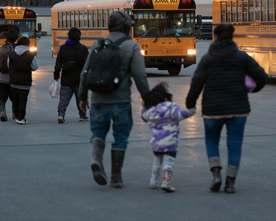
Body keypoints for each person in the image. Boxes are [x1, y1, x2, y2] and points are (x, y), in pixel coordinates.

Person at [186, 24, 268, 194]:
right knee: (235, 144)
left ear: (215, 37)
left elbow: (197, 82)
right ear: (232, 37)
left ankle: (216, 173)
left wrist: (190, 103)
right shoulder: (242, 57)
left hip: (212, 109)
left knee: (211, 140)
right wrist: (252, 89)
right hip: (238, 108)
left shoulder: (208, 58)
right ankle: (230, 182)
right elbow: (262, 76)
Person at [79, 11, 150, 188]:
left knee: (98, 132)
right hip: (121, 100)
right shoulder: (131, 46)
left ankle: (96, 157)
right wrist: (147, 99)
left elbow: (85, 72)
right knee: (120, 137)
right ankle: (116, 176)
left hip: (98, 99)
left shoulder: (98, 43)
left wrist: (82, 96)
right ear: (126, 26)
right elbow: (140, 75)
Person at [141, 82, 196, 193]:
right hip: (169, 141)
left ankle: (153, 181)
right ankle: (166, 183)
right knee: (168, 162)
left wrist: (145, 105)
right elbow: (178, 115)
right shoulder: (170, 106)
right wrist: (191, 112)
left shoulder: (150, 111)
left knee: (157, 161)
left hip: (156, 142)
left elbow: (144, 117)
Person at [54, 27, 89, 123]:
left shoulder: (63, 48)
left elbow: (58, 64)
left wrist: (56, 75)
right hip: (79, 78)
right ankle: (82, 115)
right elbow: (87, 65)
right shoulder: (83, 49)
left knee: (64, 98)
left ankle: (61, 114)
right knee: (80, 97)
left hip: (66, 77)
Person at [8, 36, 39, 125]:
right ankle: (21, 118)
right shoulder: (30, 55)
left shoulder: (11, 54)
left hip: (13, 81)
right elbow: (35, 67)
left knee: (16, 99)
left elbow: (8, 65)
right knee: (23, 100)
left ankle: (17, 116)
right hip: (25, 82)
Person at [0, 29, 19, 121]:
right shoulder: (18, 49)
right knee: (14, 97)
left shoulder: (0, 48)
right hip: (14, 78)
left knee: (2, 96)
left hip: (1, 78)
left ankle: (2, 111)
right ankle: (15, 113)